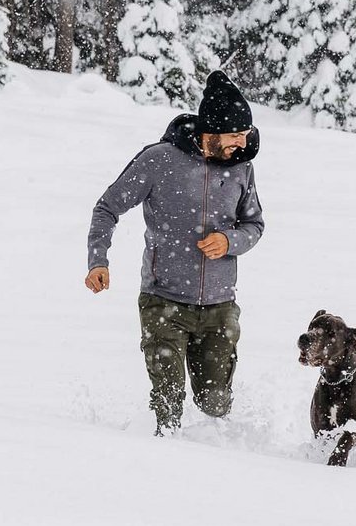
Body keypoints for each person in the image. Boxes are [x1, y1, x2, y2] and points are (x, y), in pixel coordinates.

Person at [85, 71, 265, 435]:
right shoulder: (159, 160)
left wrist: (230, 242)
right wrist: (98, 261)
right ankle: (166, 467)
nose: (239, 146)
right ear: (210, 132)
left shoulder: (242, 168)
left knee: (216, 404)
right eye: (233, 139)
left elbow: (255, 225)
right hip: (164, 302)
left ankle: (222, 460)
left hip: (219, 306)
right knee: (168, 404)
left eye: (244, 138)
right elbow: (107, 208)